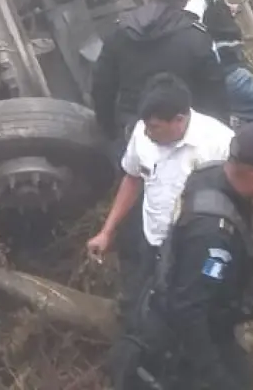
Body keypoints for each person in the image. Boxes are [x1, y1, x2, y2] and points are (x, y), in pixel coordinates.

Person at [111, 118, 253, 390]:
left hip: (195, 314)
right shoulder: (212, 234)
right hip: (178, 349)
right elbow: (188, 312)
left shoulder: (213, 176)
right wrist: (217, 379)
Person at [86, 74, 234, 316]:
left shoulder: (219, 144)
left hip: (192, 248)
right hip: (151, 238)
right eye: (145, 124)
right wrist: (106, 232)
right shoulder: (142, 134)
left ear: (179, 120)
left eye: (154, 127)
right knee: (137, 301)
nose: (146, 132)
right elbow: (132, 179)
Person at [91, 0, 230, 147]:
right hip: (185, 136)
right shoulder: (196, 37)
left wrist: (111, 133)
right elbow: (215, 97)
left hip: (134, 135)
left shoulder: (120, 32)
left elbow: (102, 88)